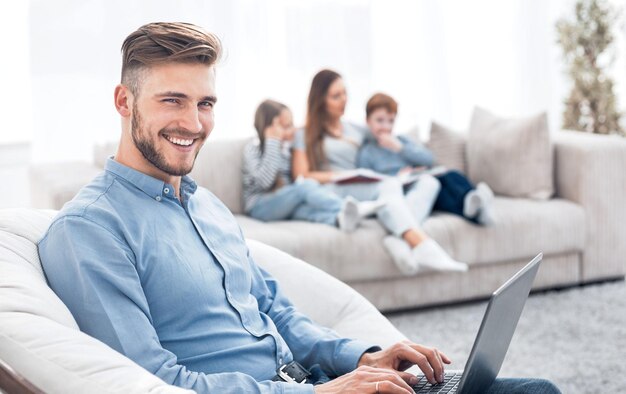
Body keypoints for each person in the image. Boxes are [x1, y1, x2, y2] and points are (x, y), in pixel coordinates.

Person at [37, 22, 560, 394]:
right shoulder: (90, 231)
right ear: (123, 102)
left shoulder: (208, 207)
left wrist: (362, 358)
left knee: (533, 390)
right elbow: (152, 382)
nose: (194, 123)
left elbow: (277, 310)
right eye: (171, 100)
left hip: (318, 382)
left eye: (206, 103)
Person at [291, 69, 468, 274]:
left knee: (430, 183)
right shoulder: (303, 134)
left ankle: (399, 239)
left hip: (360, 186)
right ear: (320, 100)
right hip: (331, 188)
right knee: (388, 185)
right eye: (336, 96)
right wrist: (340, 175)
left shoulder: (355, 129)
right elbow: (301, 176)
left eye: (345, 93)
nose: (344, 100)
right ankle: (422, 244)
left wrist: (402, 156)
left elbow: (384, 130)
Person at [358, 93, 496, 226]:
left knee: (452, 175)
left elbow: (429, 159)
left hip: (422, 176)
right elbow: (368, 183)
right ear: (368, 121)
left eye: (391, 121)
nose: (386, 126)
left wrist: (400, 148)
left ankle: (475, 200)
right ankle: (477, 210)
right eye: (380, 121)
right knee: (441, 194)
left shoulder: (402, 141)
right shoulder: (367, 152)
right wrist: (397, 177)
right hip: (407, 188)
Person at [243, 99, 380, 231]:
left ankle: (339, 219)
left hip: (282, 203)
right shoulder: (253, 148)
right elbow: (265, 182)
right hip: (259, 207)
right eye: (286, 126)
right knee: (304, 186)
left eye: (292, 124)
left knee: (305, 210)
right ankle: (346, 207)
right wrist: (272, 140)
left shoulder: (286, 150)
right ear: (267, 129)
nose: (292, 130)